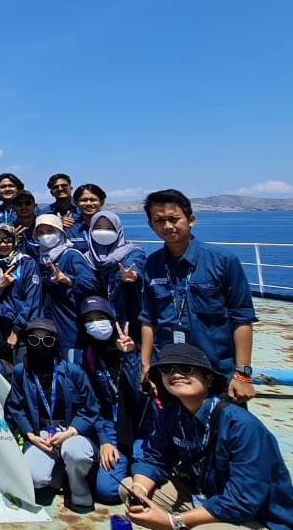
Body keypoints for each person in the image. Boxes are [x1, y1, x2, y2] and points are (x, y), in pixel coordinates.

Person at [124, 343, 293, 530]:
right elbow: (156, 459)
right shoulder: (172, 415)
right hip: (207, 495)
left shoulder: (242, 426)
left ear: (208, 379)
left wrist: (172, 522)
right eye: (167, 369)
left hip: (256, 516)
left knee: (204, 529)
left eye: (186, 369)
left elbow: (242, 501)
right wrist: (138, 490)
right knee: (129, 488)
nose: (176, 374)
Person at [139, 189, 256, 405]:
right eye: (159, 221)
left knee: (223, 424)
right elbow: (149, 319)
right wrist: (146, 365)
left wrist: (242, 374)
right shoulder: (152, 264)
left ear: (191, 220)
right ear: (151, 225)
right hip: (169, 372)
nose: (167, 226)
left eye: (174, 219)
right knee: (172, 425)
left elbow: (242, 318)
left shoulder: (223, 261)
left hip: (216, 371)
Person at [4, 318, 101, 511]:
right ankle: (61, 473)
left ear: (55, 343)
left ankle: (77, 485)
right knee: (34, 478)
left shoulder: (73, 371)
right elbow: (15, 407)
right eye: (34, 340)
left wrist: (70, 432)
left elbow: (91, 407)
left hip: (71, 431)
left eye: (47, 341)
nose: (40, 345)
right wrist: (30, 436)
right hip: (41, 432)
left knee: (75, 453)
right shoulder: (20, 372)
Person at [78, 296, 149, 505]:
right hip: (111, 425)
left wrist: (128, 355)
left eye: (100, 317)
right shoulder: (89, 356)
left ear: (111, 319)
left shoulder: (135, 349)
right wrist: (105, 440)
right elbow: (93, 403)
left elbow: (139, 393)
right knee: (106, 491)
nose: (95, 324)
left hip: (142, 425)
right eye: (89, 320)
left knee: (143, 467)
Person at [33, 214, 99, 364]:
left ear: (60, 232)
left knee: (73, 369)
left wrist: (68, 281)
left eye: (50, 231)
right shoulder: (42, 260)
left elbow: (91, 284)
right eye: (40, 233)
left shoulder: (71, 255)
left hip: (71, 328)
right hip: (51, 328)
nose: (45, 236)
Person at [84, 211, 146, 342]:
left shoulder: (132, 252)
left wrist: (132, 275)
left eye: (110, 228)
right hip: (97, 325)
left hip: (128, 320)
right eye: (98, 228)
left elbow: (136, 262)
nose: (103, 232)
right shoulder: (86, 259)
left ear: (118, 230)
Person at [0, 223, 42, 363]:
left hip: (23, 328)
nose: (3, 244)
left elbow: (32, 300)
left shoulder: (27, 263)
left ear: (15, 241)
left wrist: (16, 330)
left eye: (8, 240)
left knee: (21, 369)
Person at [71, 184, 107, 252]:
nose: (88, 203)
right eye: (84, 200)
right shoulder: (70, 227)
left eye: (93, 200)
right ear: (76, 203)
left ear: (102, 202)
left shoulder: (110, 225)